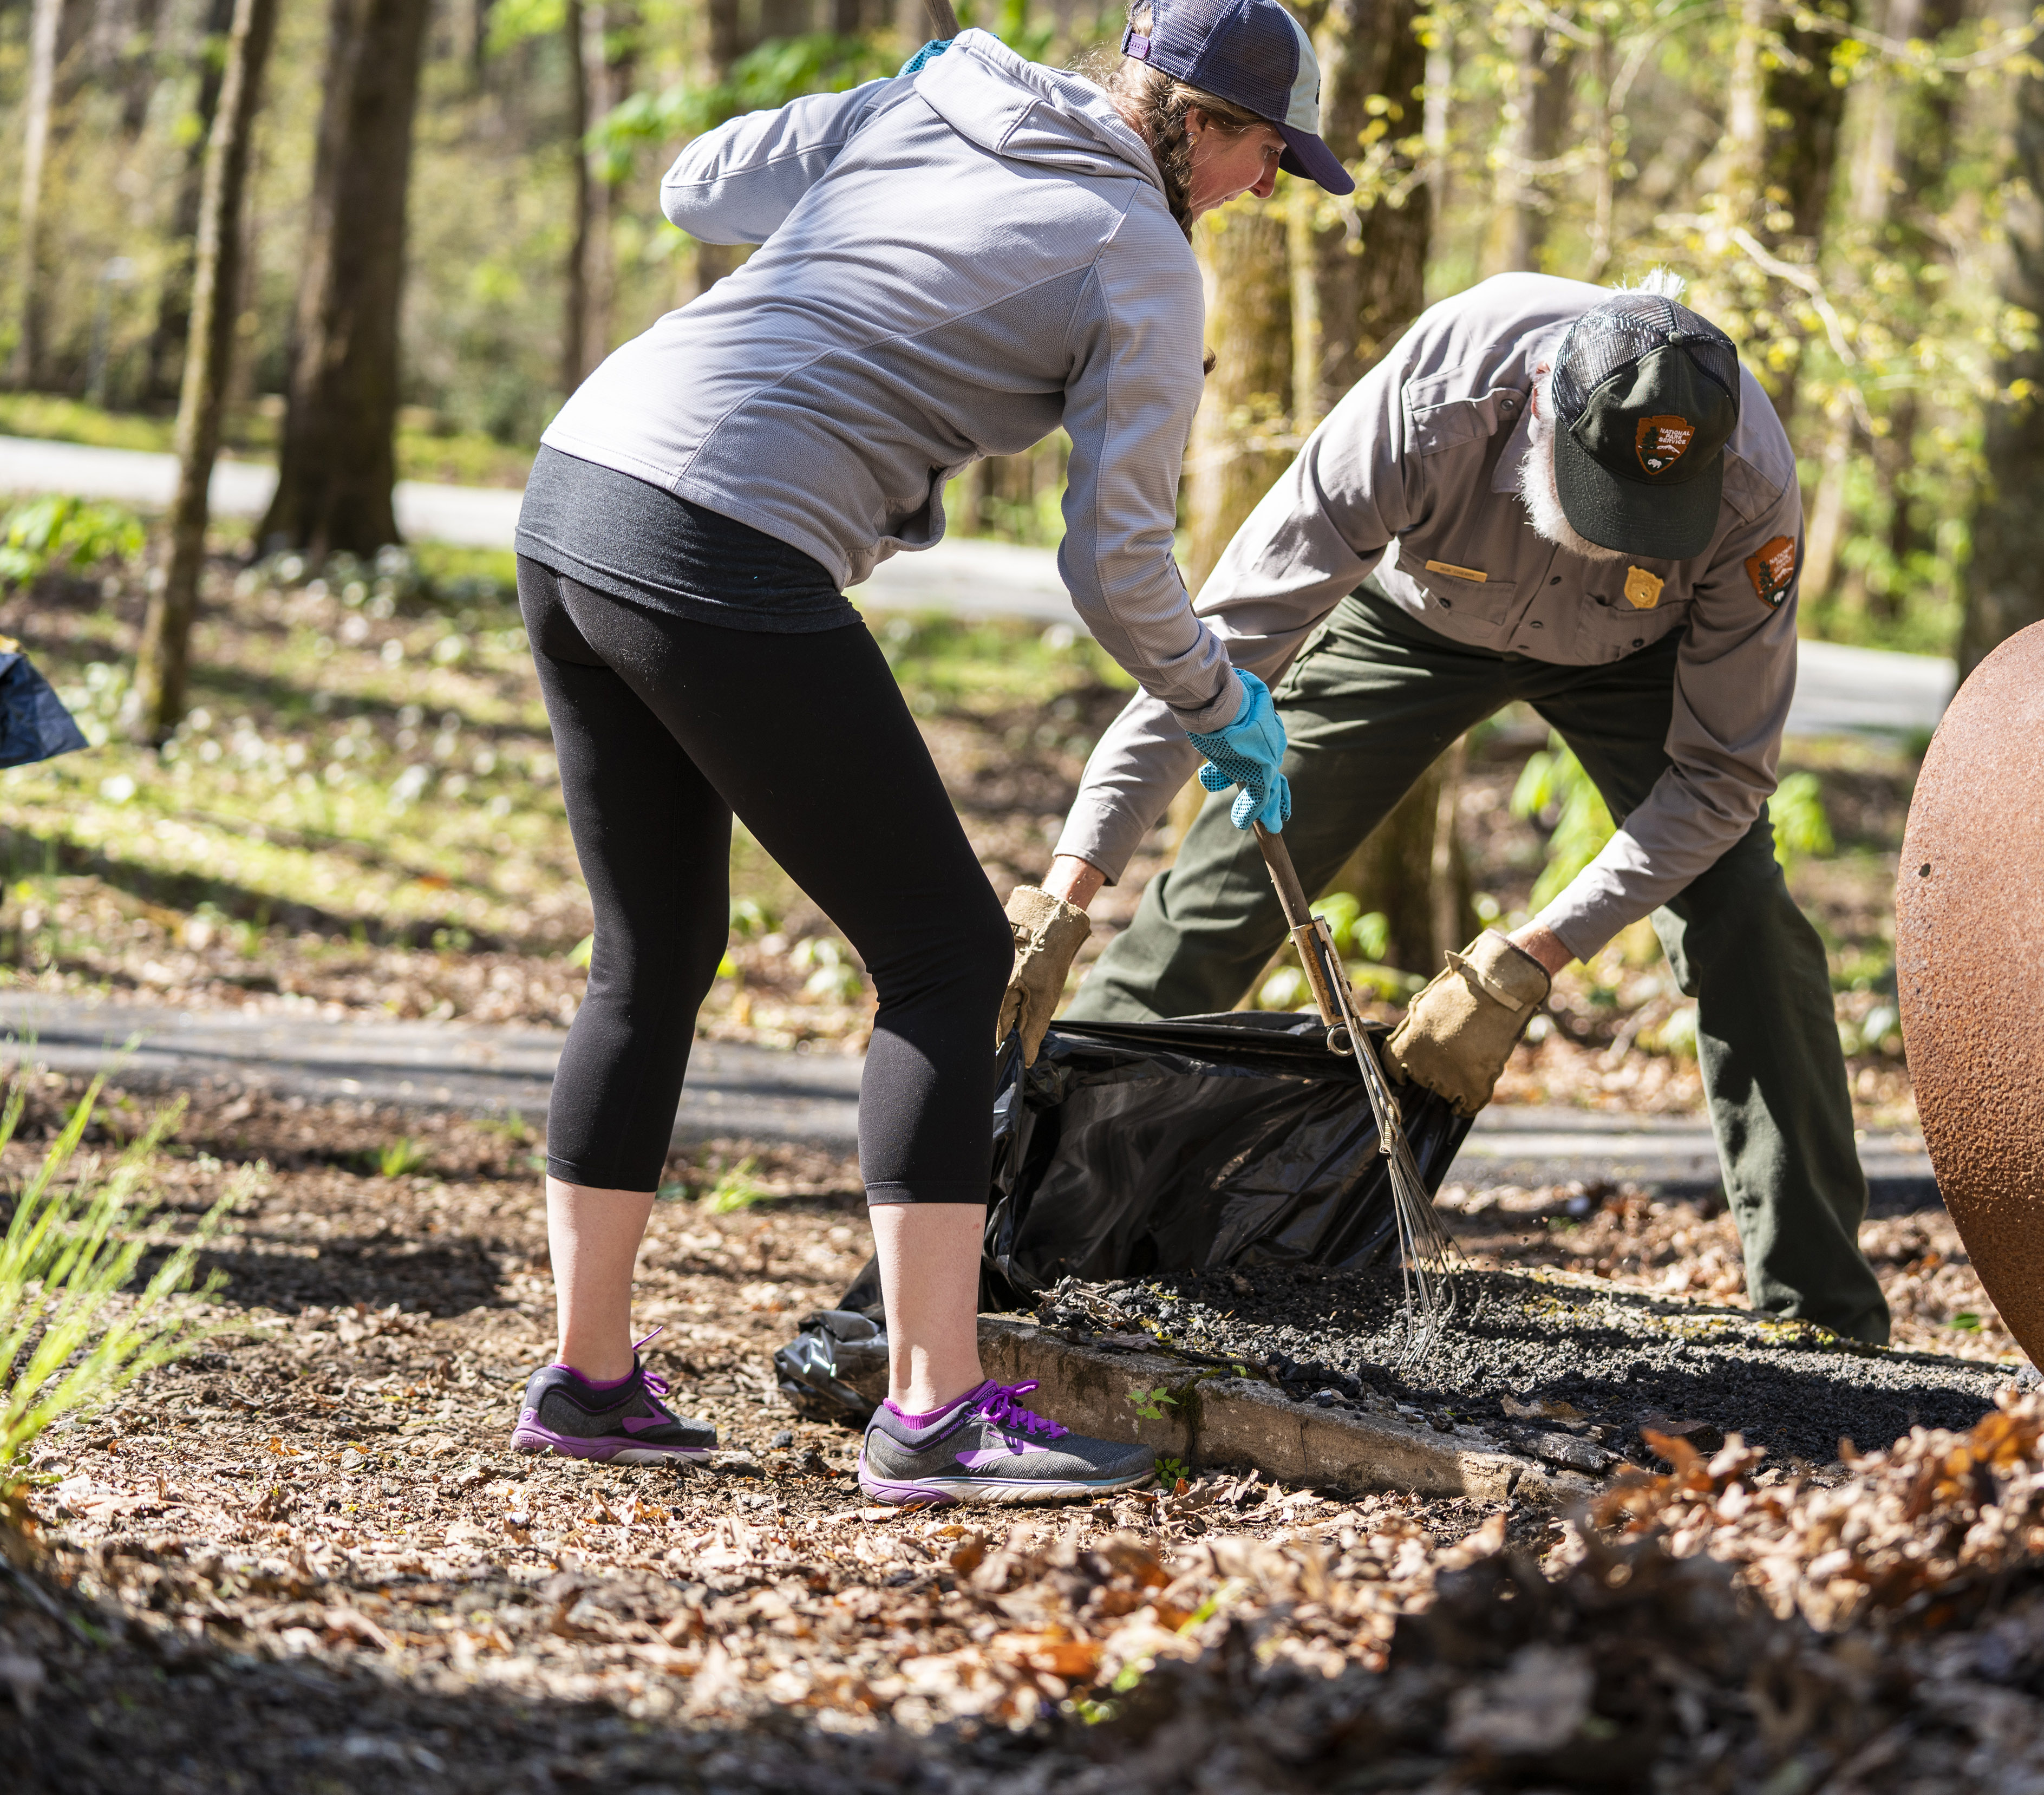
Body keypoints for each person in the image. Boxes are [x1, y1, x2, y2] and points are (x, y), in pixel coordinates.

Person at [503, 3, 1353, 1505]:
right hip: (719, 537)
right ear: (1201, 125)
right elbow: (1117, 561)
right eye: (1264, 153)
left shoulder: (928, 112)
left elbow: (696, 183)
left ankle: (588, 1375)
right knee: (951, 952)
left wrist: (865, 109)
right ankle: (935, 1409)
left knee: (652, 949)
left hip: (579, 487)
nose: (1265, 189)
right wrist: (1217, 694)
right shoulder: (1141, 258)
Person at [1009, 272, 1891, 1344]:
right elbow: (1212, 650)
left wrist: (1529, 958)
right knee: (1217, 899)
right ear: (1538, 407)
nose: (1620, 536)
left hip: (1632, 663)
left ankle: (1826, 1317)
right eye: (1604, 500)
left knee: (1749, 920)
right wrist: (1071, 883)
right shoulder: (1431, 400)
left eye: (1646, 520)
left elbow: (1721, 779)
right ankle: (1025, 1235)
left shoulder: (1749, 488)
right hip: (1413, 621)